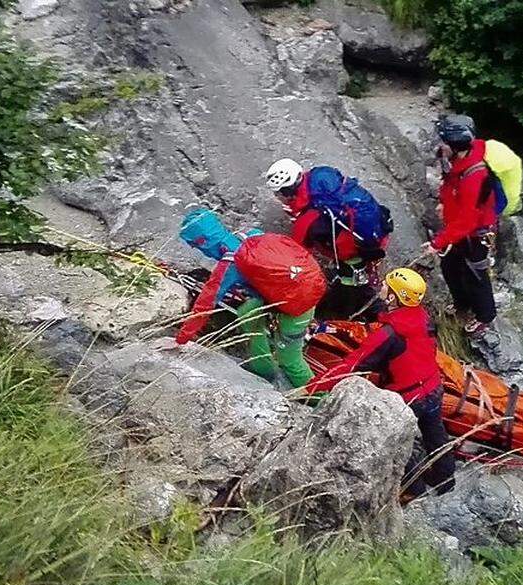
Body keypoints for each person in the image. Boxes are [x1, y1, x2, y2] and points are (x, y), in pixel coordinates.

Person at [306, 268, 454, 501]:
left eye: (386, 286)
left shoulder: (390, 334)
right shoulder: (422, 318)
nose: (381, 288)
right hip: (433, 387)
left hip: (407, 398)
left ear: (394, 297)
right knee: (435, 435)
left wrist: (312, 386)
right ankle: (445, 480)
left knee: (396, 442)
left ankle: (414, 490)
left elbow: (355, 364)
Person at [172, 208, 326, 388]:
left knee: (290, 360)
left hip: (299, 307)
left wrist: (179, 340)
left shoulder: (230, 264)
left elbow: (204, 305)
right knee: (247, 311)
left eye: (196, 246)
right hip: (307, 288)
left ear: (203, 243)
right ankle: (263, 367)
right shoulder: (252, 236)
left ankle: (320, 398)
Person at [265, 158, 390, 321]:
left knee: (351, 292)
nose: (277, 197)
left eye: (278, 193)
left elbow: (297, 254)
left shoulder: (308, 218)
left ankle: (351, 318)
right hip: (375, 231)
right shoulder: (321, 178)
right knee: (353, 284)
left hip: (355, 252)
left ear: (287, 192)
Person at [421, 114, 499, 335]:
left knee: (476, 274)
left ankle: (485, 316)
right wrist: (444, 203)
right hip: (458, 228)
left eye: (444, 141)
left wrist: (437, 243)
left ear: (456, 145)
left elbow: (468, 220)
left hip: (476, 232)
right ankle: (462, 304)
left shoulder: (476, 175)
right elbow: (450, 185)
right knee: (450, 267)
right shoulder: (458, 162)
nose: (440, 145)